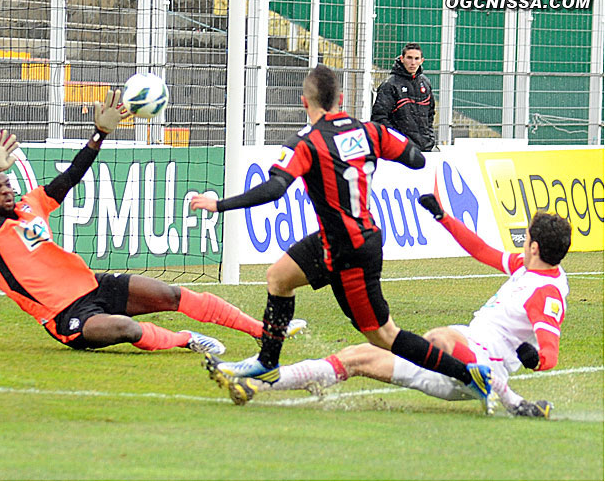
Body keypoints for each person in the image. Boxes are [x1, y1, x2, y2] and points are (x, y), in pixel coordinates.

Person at [190, 65, 495, 410]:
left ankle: (470, 375)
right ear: (341, 99)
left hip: (351, 252)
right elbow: (416, 159)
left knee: (383, 336)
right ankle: (267, 362)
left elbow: (276, 188)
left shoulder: (306, 142)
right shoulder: (370, 132)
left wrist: (220, 205)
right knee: (278, 277)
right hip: (338, 240)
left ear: (304, 102)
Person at [0, 89, 305, 354]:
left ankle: (263, 331)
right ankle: (185, 340)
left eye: (8, 183)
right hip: (65, 317)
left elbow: (71, 175)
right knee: (127, 328)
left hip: (92, 285)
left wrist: (99, 135)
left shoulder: (32, 205)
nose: (6, 189)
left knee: (171, 294)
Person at [210, 198, 572, 420]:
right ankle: (259, 384)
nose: (521, 242)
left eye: (526, 238)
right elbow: (482, 251)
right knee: (357, 356)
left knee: (438, 338)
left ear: (535, 246)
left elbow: (550, 354)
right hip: (464, 349)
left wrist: (534, 358)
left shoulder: (546, 293)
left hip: (480, 363)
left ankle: (501, 394)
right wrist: (443, 217)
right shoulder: (529, 267)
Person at [371, 43, 436, 152]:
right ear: (402, 59)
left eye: (416, 59)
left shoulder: (425, 83)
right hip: (400, 151)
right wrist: (398, 140)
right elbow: (379, 118)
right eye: (409, 58)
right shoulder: (390, 84)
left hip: (425, 149)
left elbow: (430, 114)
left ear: (422, 61)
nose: (413, 63)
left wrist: (429, 138)